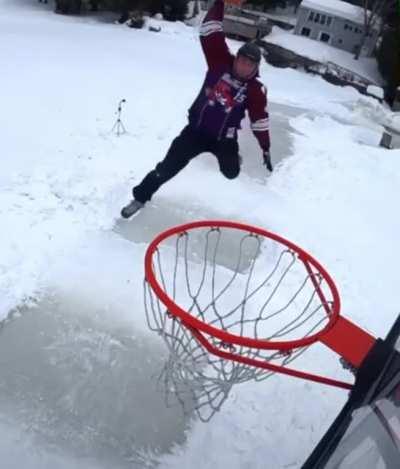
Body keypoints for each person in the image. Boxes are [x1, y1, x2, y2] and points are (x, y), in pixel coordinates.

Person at [121, 0, 272, 218]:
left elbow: (259, 119)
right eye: (242, 61)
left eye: (250, 64)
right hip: (195, 133)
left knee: (231, 173)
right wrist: (221, 3)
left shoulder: (255, 90)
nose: (245, 66)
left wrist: (265, 147)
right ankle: (139, 197)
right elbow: (210, 29)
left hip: (224, 140)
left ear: (255, 68)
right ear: (236, 59)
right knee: (166, 168)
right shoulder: (219, 62)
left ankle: (233, 159)